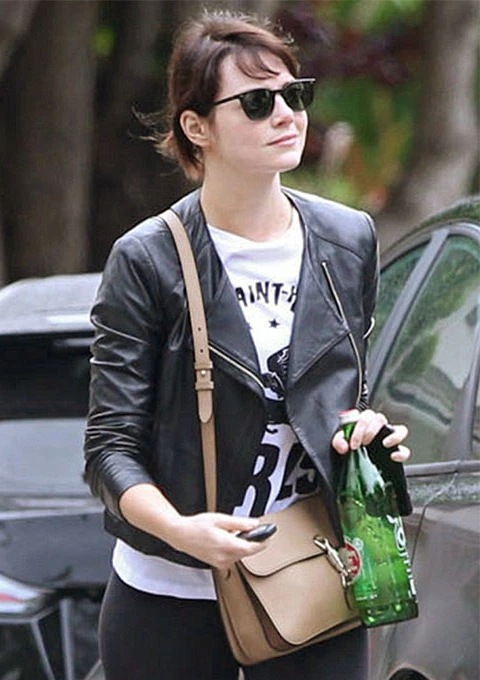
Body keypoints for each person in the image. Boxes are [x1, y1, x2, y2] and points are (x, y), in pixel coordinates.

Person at [84, 10, 410, 680]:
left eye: (296, 95)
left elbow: (343, 397)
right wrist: (180, 530)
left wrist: (366, 434)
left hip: (312, 571)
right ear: (196, 127)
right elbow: (110, 447)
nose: (287, 115)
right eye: (258, 103)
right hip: (171, 594)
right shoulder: (148, 260)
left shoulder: (348, 240)